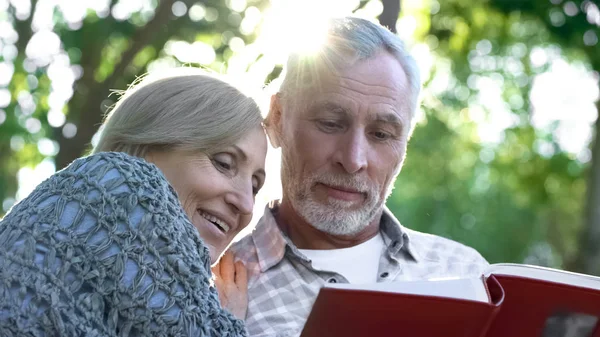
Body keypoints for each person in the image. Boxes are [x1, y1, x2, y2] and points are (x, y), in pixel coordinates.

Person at [233, 16, 490, 336]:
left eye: (381, 134)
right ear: (279, 118)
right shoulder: (210, 289)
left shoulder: (469, 275)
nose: (353, 160)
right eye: (330, 123)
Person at [0, 69, 267, 336]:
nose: (246, 204)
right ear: (148, 147)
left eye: (255, 186)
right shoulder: (118, 183)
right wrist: (226, 320)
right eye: (224, 163)